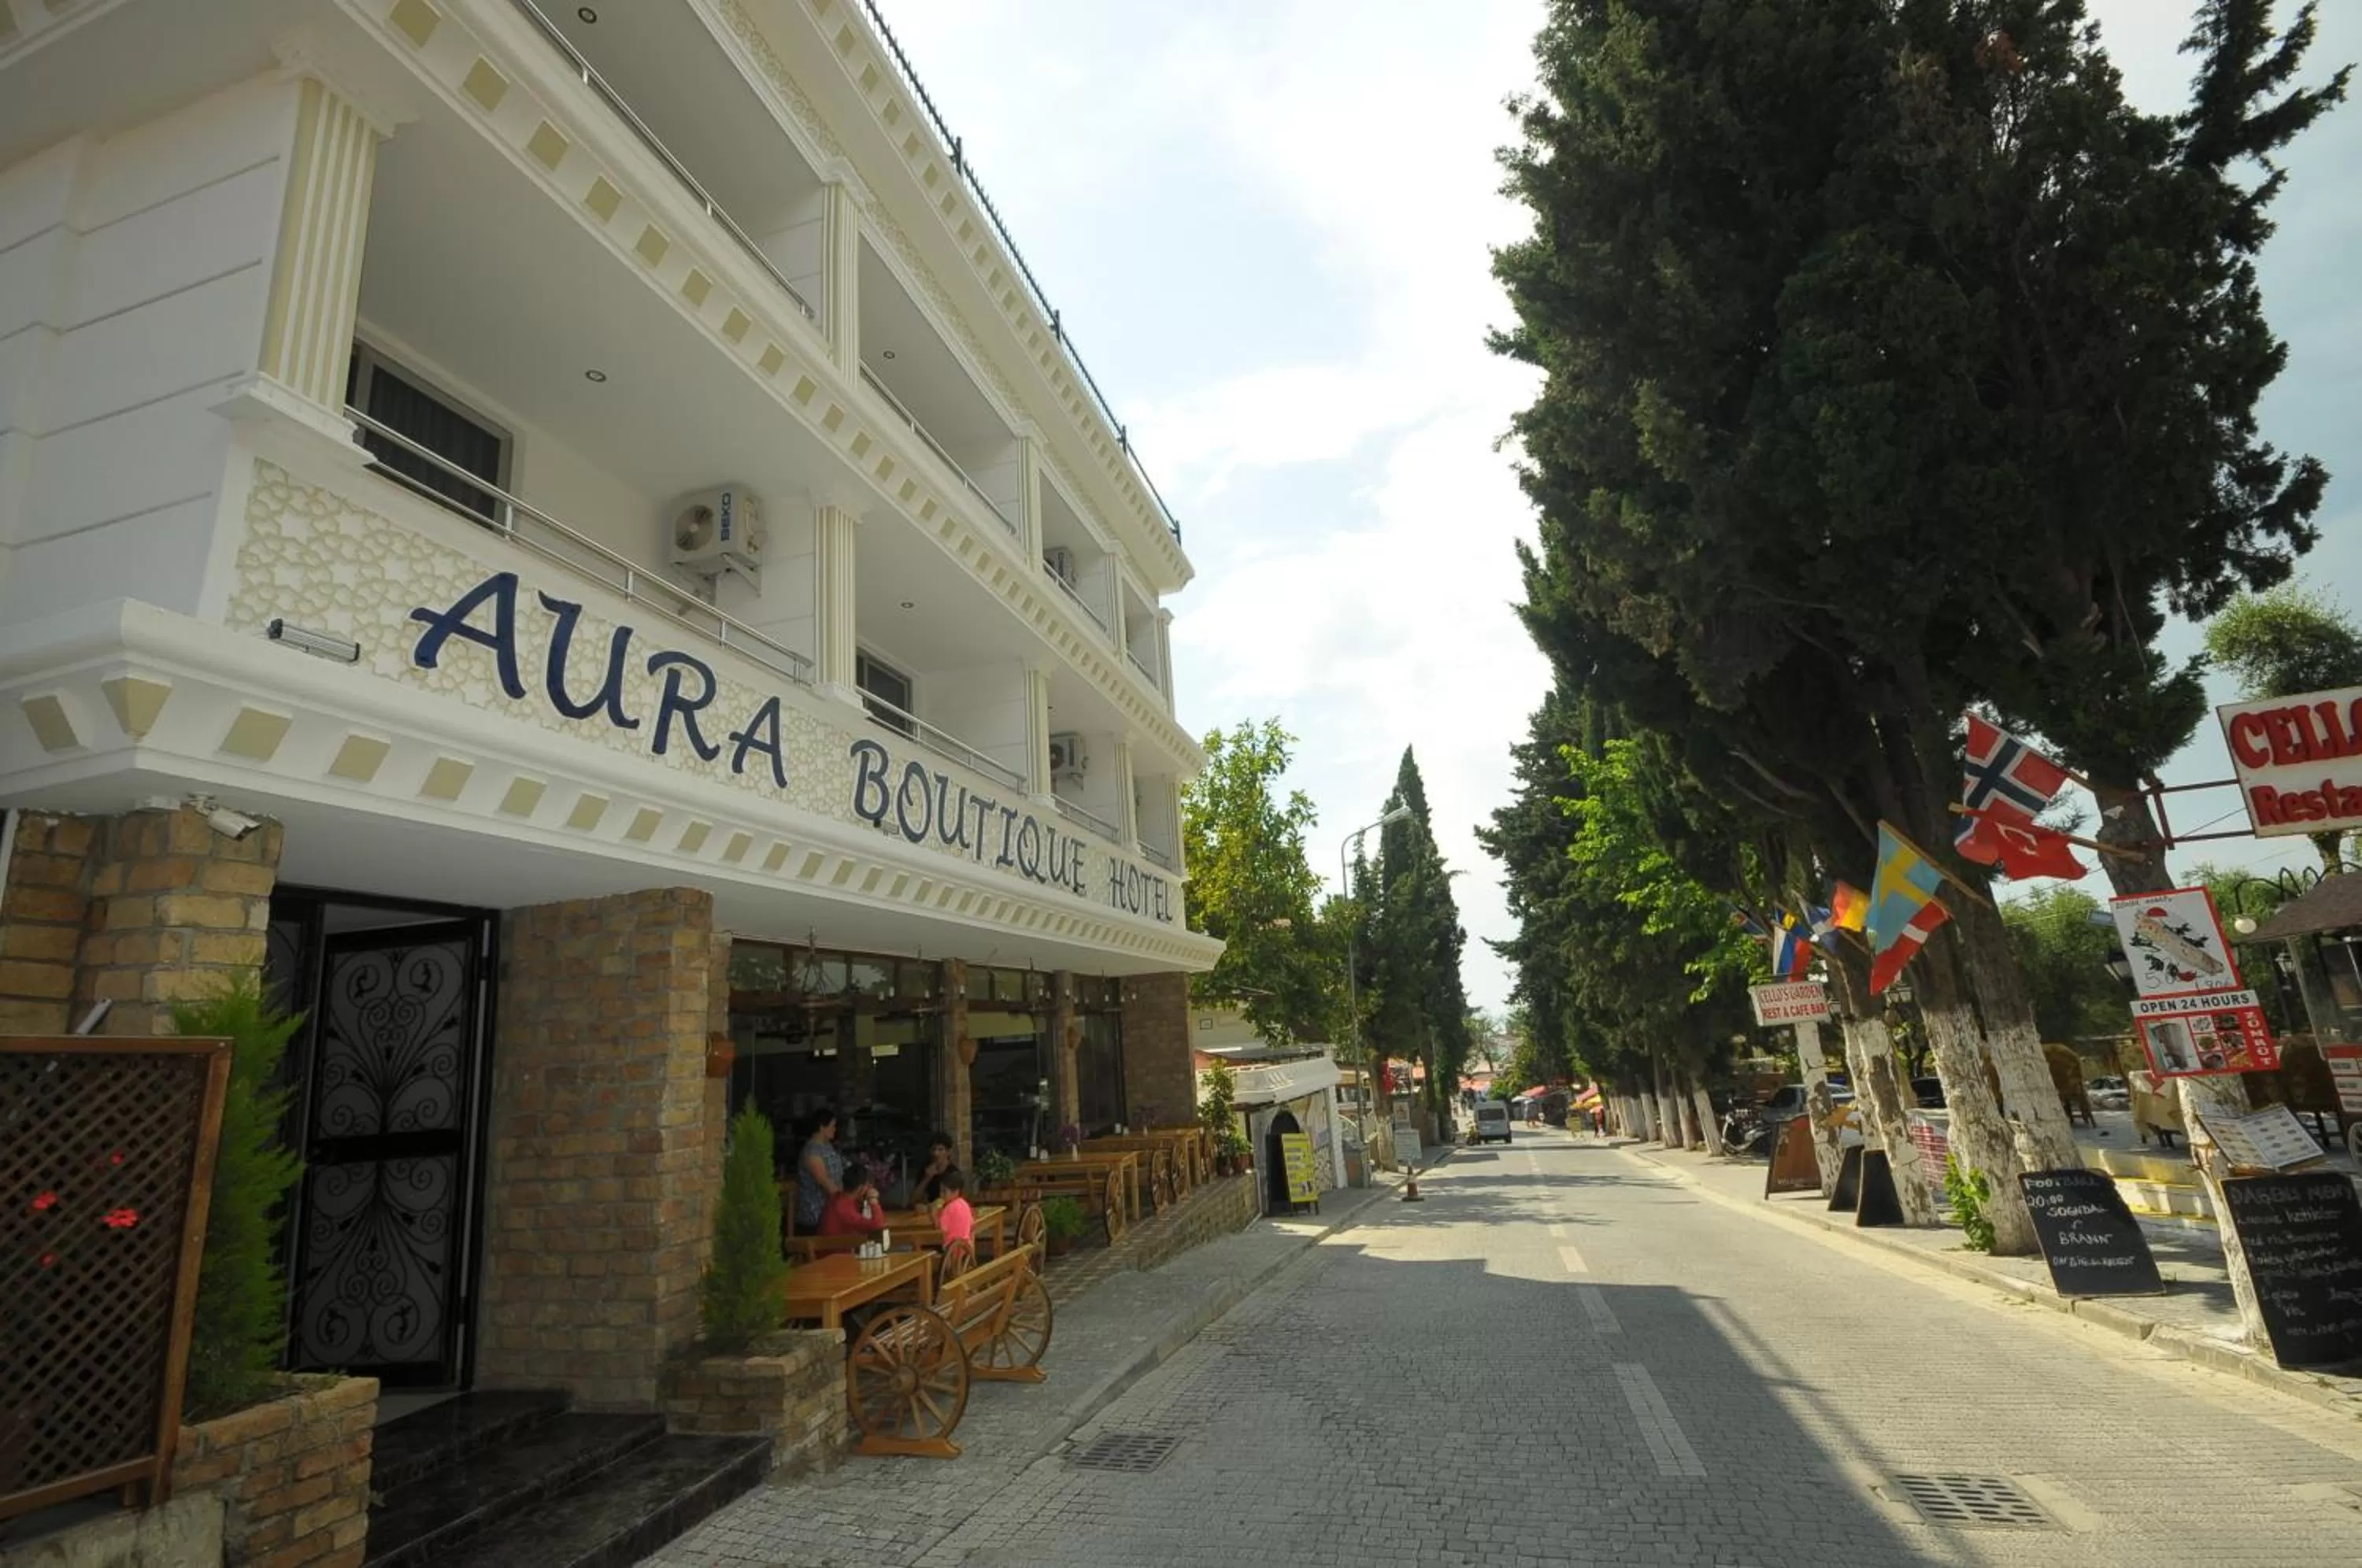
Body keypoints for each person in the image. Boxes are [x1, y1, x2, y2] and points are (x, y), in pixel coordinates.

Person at [794, 1107, 844, 1235]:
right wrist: (844, 1202)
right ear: (822, 1127)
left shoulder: (828, 1146)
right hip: (816, 1215)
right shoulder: (812, 1151)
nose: (835, 1129)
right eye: (832, 1126)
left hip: (832, 1211)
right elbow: (824, 1180)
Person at [819, 1179, 888, 1237]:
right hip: (838, 1248)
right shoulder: (845, 1209)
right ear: (862, 1188)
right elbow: (878, 1225)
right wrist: (873, 1200)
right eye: (868, 1186)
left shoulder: (839, 1198)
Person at [931, 1167, 975, 1250]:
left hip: (952, 1247)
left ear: (956, 1191)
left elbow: (941, 1228)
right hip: (966, 1247)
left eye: (944, 1191)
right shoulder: (965, 1204)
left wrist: (934, 1214)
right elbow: (972, 1225)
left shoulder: (949, 1208)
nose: (941, 1195)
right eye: (941, 1191)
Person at [913, 1131, 959, 1205]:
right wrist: (927, 1178)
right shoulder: (926, 1169)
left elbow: (955, 1200)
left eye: (940, 1150)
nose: (936, 1153)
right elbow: (914, 1199)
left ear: (948, 1152)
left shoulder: (953, 1173)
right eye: (934, 1149)